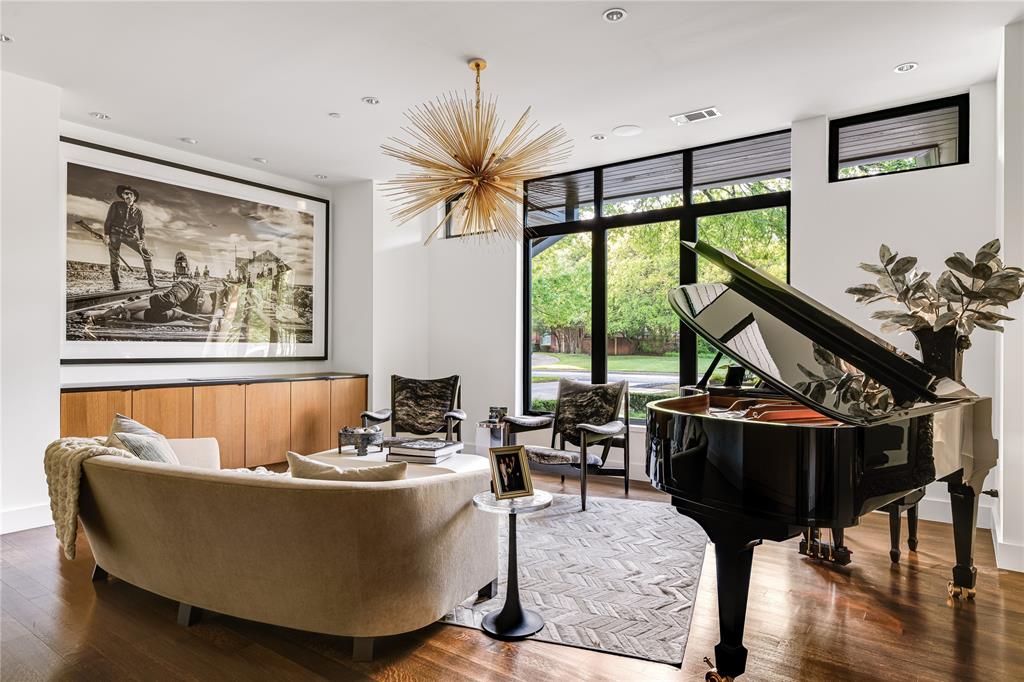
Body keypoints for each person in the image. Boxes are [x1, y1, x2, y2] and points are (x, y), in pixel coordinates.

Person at [93, 280, 229, 324]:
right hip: (191, 292)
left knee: (161, 316)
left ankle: (128, 313)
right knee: (168, 301)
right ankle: (118, 309)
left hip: (187, 310)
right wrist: (217, 319)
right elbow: (223, 307)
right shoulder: (233, 292)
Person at [104, 184, 155, 290]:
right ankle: (117, 284)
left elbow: (141, 228)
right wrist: (106, 235)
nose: (126, 195)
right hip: (115, 234)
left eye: (129, 194)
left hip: (129, 235)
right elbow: (108, 220)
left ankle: (152, 281)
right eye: (124, 194)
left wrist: (142, 240)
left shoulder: (139, 212)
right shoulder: (116, 205)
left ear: (134, 197)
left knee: (146, 254)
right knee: (115, 260)